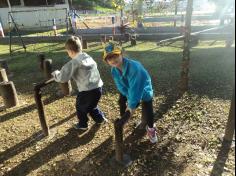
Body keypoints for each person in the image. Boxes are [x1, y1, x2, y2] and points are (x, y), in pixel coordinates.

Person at [102, 42, 157, 143]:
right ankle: (124, 120)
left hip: (143, 87)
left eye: (115, 56)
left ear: (121, 54)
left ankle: (151, 128)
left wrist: (131, 105)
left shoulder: (134, 68)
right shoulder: (114, 70)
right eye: (109, 58)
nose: (113, 60)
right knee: (122, 101)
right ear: (107, 61)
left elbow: (136, 90)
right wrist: (128, 102)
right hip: (129, 88)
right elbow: (120, 86)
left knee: (148, 106)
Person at [51, 36, 106, 130]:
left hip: (87, 91)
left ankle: (83, 124)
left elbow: (62, 77)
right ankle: (100, 118)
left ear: (71, 51)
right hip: (98, 87)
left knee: (80, 107)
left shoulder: (74, 62)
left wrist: (55, 73)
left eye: (67, 52)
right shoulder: (88, 57)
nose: (68, 54)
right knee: (92, 105)